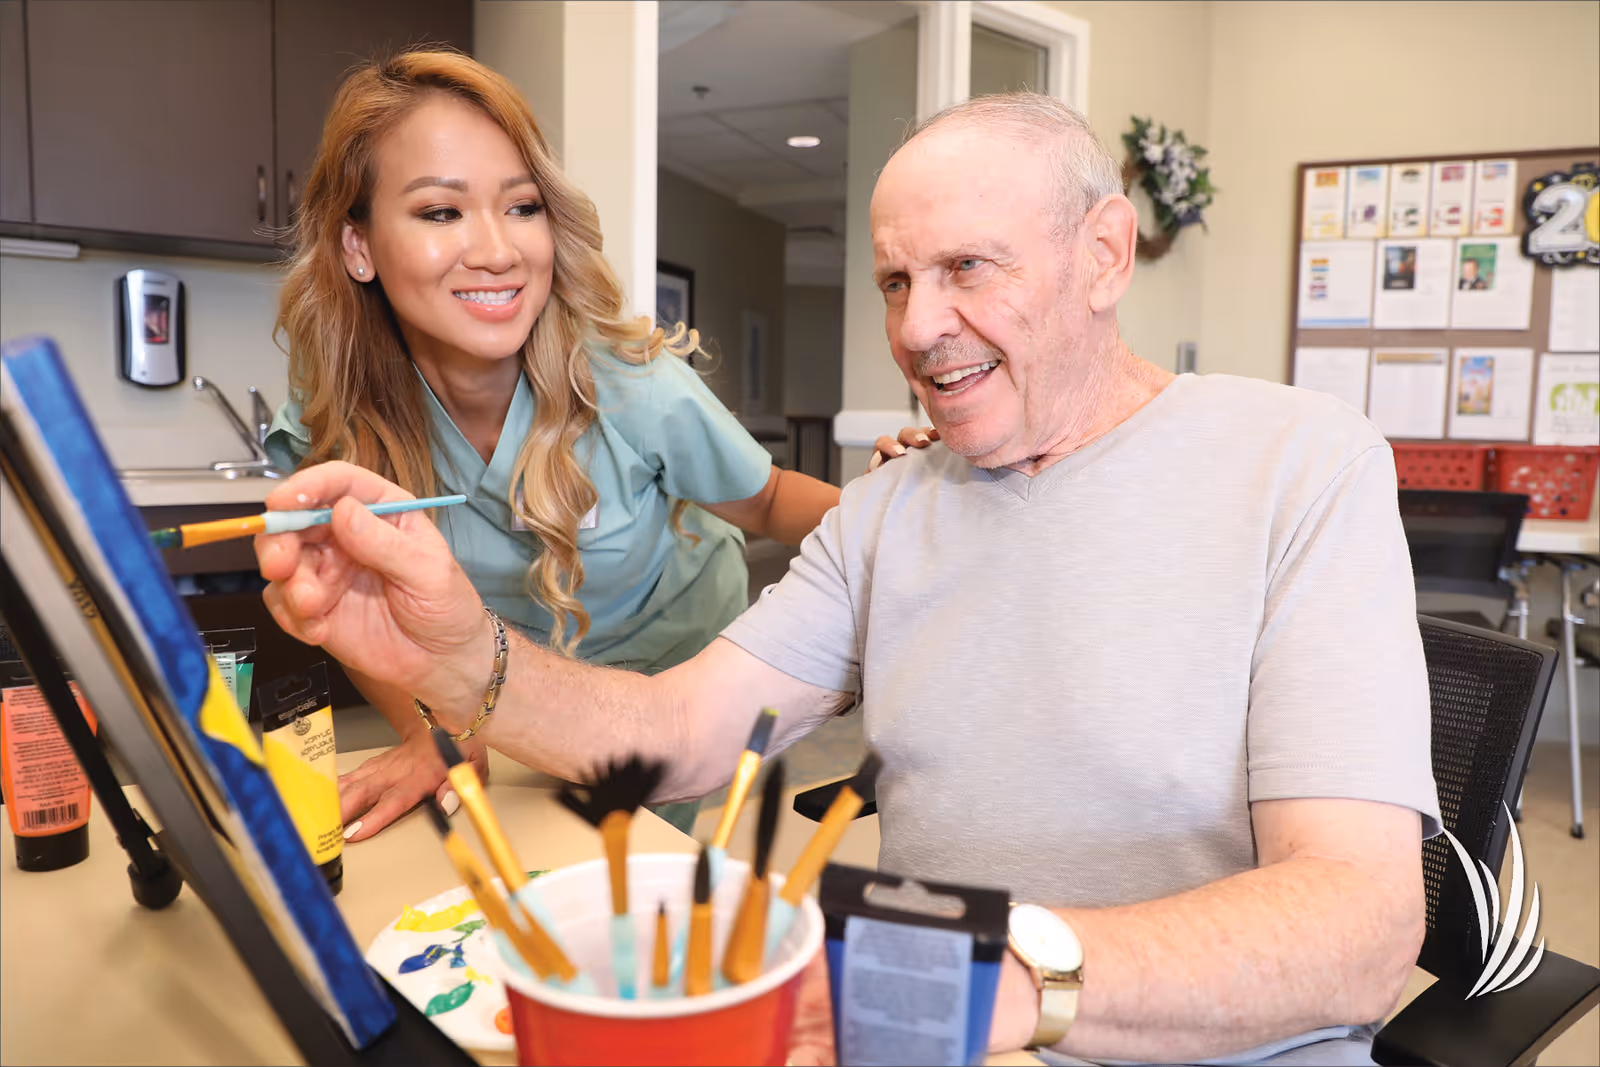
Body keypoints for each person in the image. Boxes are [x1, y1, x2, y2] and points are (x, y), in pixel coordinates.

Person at [257, 92, 1438, 1065]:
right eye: (893, 282)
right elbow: (677, 731)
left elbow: (1362, 925)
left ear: (1103, 255)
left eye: (967, 268)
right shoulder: (886, 513)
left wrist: (1001, 979)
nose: (920, 328)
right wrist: (462, 655)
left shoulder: (1300, 464)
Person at [262, 49, 846, 838]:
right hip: (493, 681)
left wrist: (901, 545)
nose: (499, 250)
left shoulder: (627, 383)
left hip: (661, 688)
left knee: (603, 870)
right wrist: (430, 730)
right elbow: (353, 600)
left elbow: (772, 499)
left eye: (523, 206)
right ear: (358, 247)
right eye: (441, 212)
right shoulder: (337, 411)